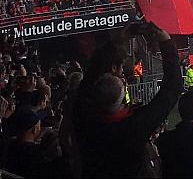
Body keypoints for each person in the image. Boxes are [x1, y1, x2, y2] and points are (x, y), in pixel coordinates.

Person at [73, 23, 183, 178]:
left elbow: (93, 70)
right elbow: (173, 87)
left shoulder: (83, 117)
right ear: (123, 94)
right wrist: (165, 41)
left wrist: (118, 40)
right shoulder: (133, 128)